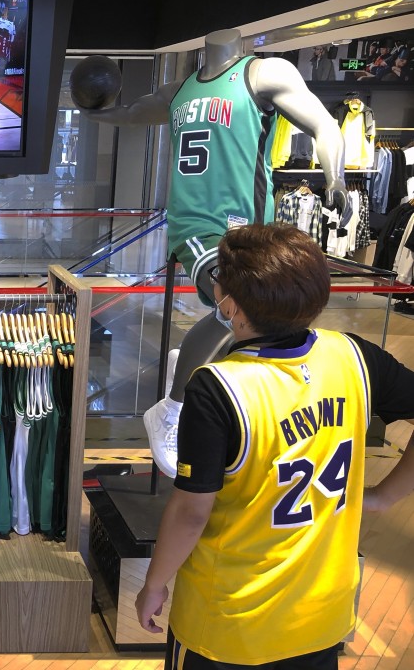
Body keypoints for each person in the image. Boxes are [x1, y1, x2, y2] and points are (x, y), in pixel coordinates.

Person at [134, 223, 414, 669]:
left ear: (236, 307)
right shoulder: (354, 356)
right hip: (322, 614)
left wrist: (154, 583)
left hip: (229, 620)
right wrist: (383, 497)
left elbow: (191, 512)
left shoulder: (217, 386)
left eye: (219, 284)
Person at [79, 29, 352, 477]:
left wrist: (336, 177)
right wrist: (92, 108)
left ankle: (203, 372)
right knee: (236, 305)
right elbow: (127, 113)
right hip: (194, 224)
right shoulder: (179, 90)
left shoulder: (264, 73)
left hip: (250, 228)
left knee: (267, 314)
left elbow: (324, 124)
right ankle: (172, 407)